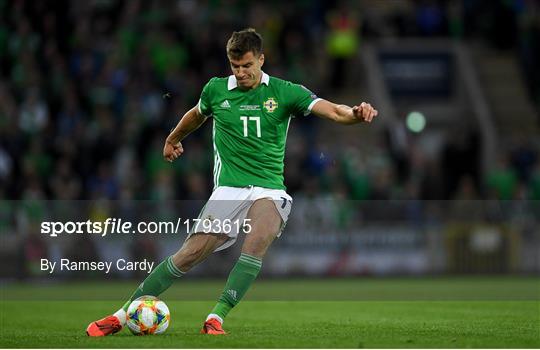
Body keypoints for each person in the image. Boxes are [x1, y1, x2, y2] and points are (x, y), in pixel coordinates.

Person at [86, 28, 377, 336]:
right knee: (188, 255)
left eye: (247, 66)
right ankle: (121, 315)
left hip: (269, 188)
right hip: (228, 189)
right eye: (235, 66)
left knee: (255, 244)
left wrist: (355, 114)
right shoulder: (216, 90)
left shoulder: (284, 91)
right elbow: (196, 115)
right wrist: (173, 138)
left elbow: (332, 110)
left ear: (261, 60)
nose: (241, 73)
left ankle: (216, 318)